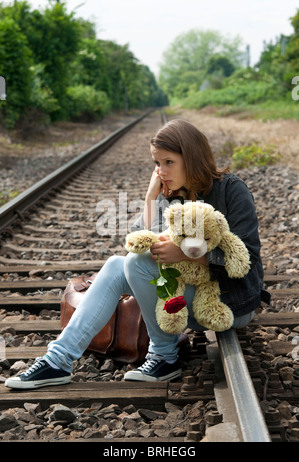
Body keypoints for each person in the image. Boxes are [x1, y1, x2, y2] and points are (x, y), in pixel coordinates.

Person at [5, 119, 269, 389]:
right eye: (157, 163)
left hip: (228, 302)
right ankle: (56, 361)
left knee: (134, 264)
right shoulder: (171, 192)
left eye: (168, 162)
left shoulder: (231, 190)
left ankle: (164, 356)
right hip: (183, 296)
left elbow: (248, 258)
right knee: (115, 265)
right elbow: (138, 245)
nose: (160, 171)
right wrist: (150, 200)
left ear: (191, 158)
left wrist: (187, 256)